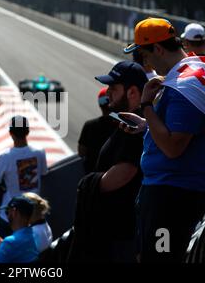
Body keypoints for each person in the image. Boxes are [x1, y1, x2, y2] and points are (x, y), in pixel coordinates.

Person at [123, 17, 205, 263]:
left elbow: (172, 146)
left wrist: (146, 105)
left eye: (144, 55)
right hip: (174, 189)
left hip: (173, 192)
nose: (144, 62)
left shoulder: (184, 84)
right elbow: (181, 132)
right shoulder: (190, 75)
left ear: (158, 49)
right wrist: (147, 126)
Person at [69, 61, 147, 263]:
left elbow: (126, 170)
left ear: (132, 92)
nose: (109, 92)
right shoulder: (127, 121)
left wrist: (88, 184)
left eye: (114, 88)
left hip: (121, 234)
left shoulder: (135, 125)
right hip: (118, 230)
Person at [0, 116, 47, 238]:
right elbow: (43, 173)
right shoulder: (39, 152)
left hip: (11, 215)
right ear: (28, 131)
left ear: (10, 133)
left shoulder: (3, 157)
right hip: (34, 214)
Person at [78, 87, 117, 173]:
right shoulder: (123, 125)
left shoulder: (89, 125)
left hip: (92, 175)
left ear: (100, 105)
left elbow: (81, 152)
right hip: (115, 174)